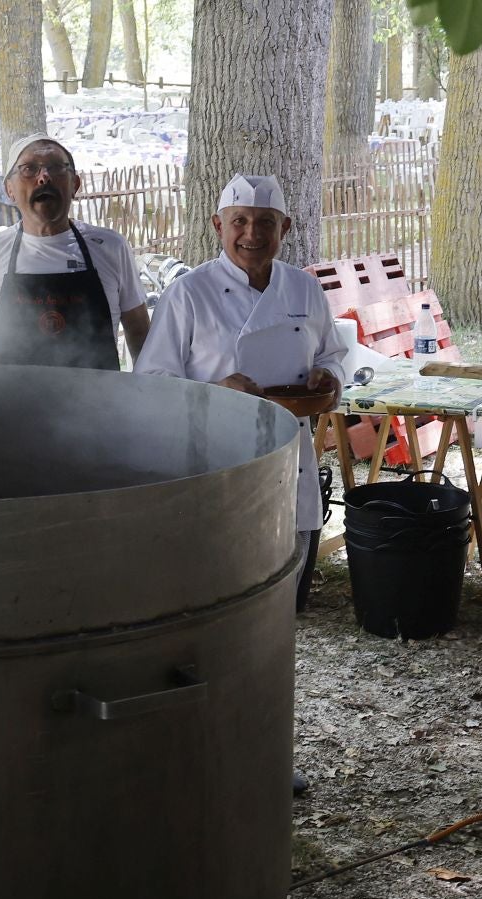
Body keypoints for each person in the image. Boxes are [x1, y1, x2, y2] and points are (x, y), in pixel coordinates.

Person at [135, 174, 347, 614]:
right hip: (216, 456)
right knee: (220, 589)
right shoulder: (188, 293)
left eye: (265, 222)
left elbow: (332, 352)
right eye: (240, 221)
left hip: (291, 451)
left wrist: (328, 375)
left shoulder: (304, 288)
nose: (252, 234)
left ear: (284, 228)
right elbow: (151, 382)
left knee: (284, 584)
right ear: (218, 226)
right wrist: (216, 390)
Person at [0, 134, 150, 368]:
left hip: (97, 403)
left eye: (56, 168)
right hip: (7, 403)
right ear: (9, 190)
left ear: (75, 185)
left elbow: (141, 337)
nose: (44, 177)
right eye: (29, 169)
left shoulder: (111, 248)